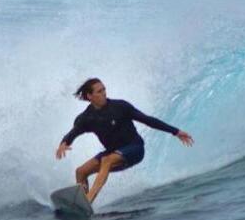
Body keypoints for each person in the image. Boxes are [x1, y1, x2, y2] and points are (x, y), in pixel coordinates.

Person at [56, 78, 194, 204]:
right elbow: (73, 133)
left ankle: (89, 199)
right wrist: (64, 143)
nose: (104, 93)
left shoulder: (120, 107)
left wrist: (175, 131)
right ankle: (81, 204)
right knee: (81, 171)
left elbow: (148, 120)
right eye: (99, 91)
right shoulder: (86, 118)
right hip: (112, 152)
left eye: (104, 89)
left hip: (135, 149)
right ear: (89, 96)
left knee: (107, 160)